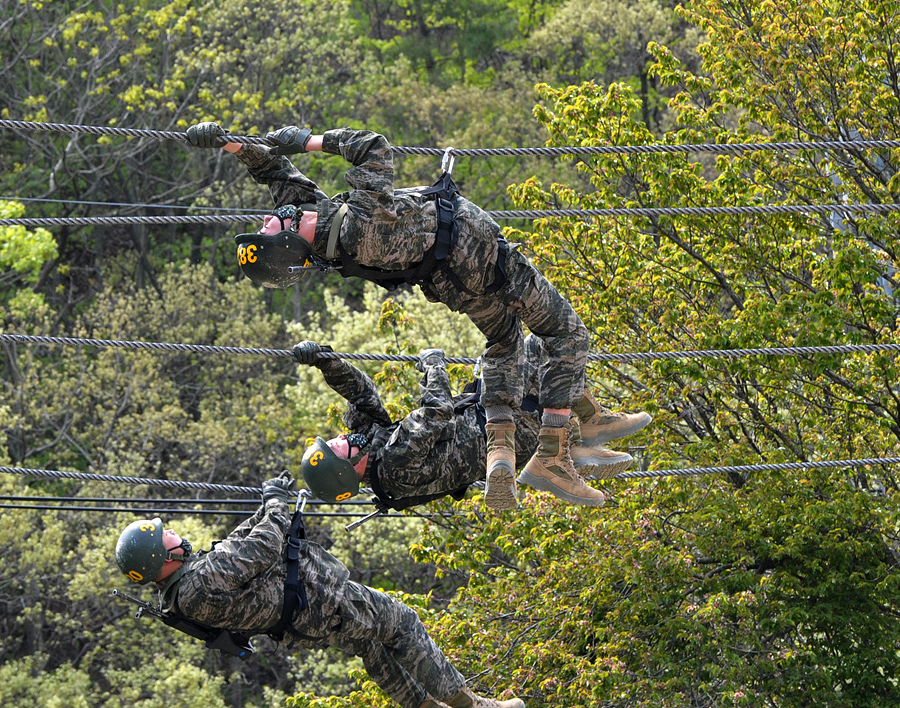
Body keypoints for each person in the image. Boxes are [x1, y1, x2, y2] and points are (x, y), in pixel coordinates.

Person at [186, 121, 649, 510]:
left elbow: (274, 172)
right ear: (290, 238)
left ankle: (532, 443)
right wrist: (309, 139)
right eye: (270, 228)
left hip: (455, 282)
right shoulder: (358, 223)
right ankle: (553, 453)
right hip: (485, 260)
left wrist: (229, 143)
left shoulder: (326, 232)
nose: (269, 219)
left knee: (508, 346)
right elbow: (373, 148)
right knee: (565, 335)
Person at [114, 479, 526, 708]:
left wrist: (267, 505)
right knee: (402, 623)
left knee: (374, 650)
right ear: (159, 557)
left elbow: (234, 546)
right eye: (164, 533)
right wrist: (276, 504)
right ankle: (470, 705)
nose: (173, 532)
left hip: (308, 620)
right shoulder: (200, 583)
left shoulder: (188, 588)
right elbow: (261, 548)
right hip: (326, 600)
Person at [295, 340, 642, 511]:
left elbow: (361, 396)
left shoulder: (370, 446)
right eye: (335, 447)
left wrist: (325, 362)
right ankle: (575, 436)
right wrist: (434, 365)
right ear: (348, 468)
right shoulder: (394, 461)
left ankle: (574, 441)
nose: (339, 438)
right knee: (534, 347)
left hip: (494, 420)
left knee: (537, 361)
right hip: (507, 429)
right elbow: (437, 409)